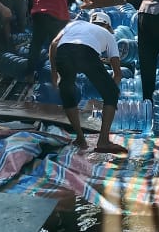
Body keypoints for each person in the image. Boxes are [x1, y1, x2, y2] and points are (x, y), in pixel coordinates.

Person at [49, 10, 127, 153]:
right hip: (86, 53)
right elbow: (118, 74)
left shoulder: (74, 24)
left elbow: (54, 44)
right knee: (111, 93)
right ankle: (103, 141)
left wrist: (54, 73)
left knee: (67, 90)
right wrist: (109, 93)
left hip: (63, 51)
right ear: (108, 26)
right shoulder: (109, 36)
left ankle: (80, 138)